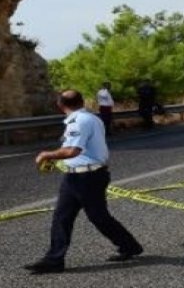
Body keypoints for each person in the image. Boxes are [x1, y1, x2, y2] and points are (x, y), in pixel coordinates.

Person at [24, 90, 144, 275]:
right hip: (77, 177)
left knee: (98, 217)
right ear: (81, 101)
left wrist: (46, 154)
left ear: (60, 105)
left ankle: (130, 246)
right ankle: (54, 260)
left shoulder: (79, 121)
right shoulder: (91, 118)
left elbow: (73, 150)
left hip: (88, 178)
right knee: (62, 217)